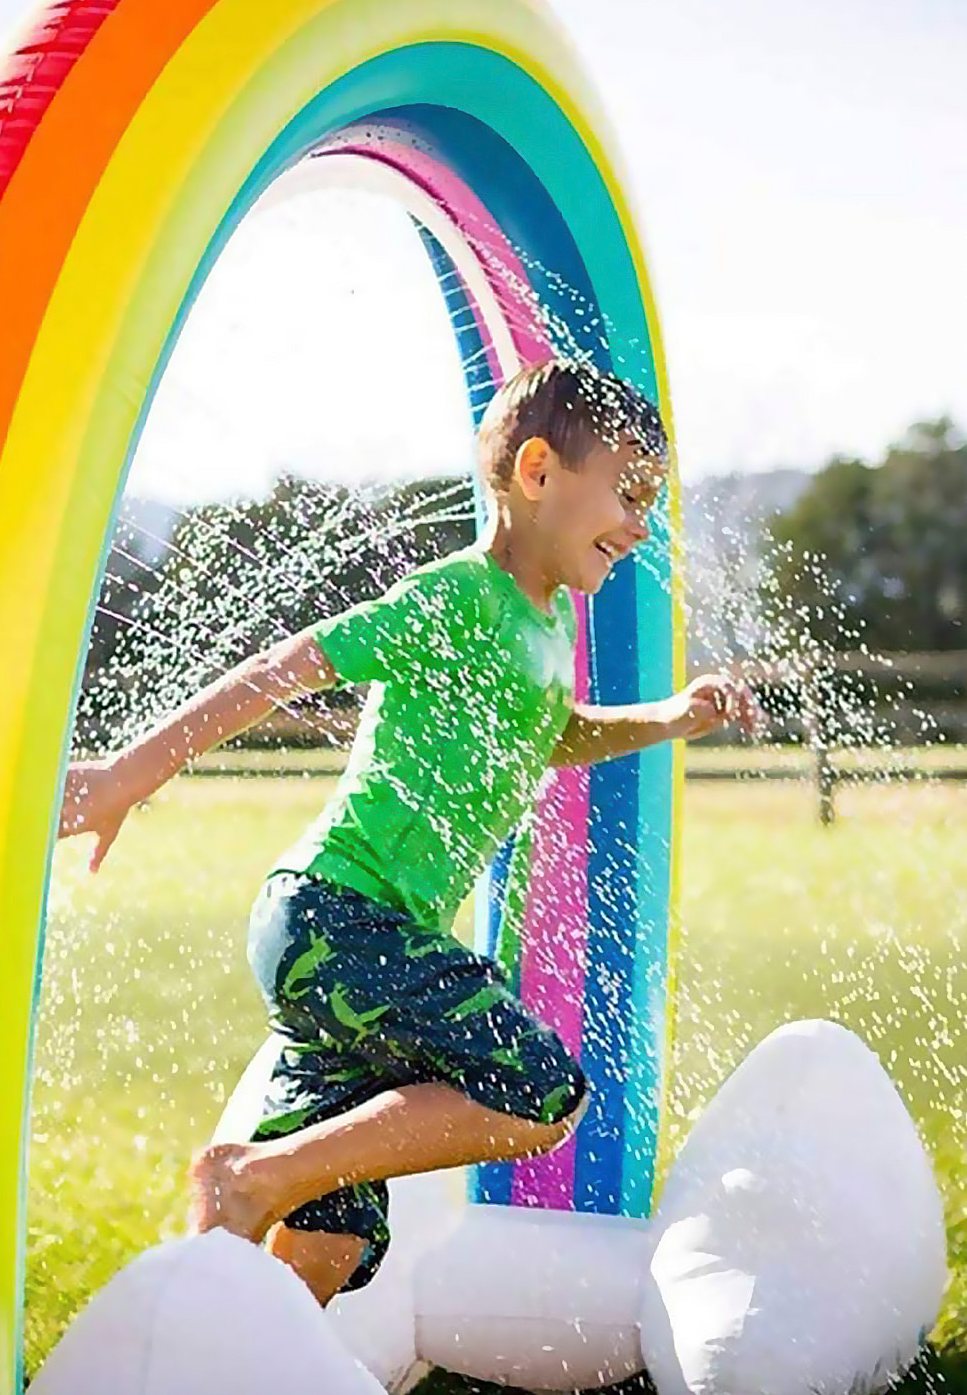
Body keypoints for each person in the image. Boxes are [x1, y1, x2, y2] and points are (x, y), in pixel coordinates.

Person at [59, 359, 760, 1306]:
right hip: (340, 917)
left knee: (330, 1241)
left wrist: (673, 716)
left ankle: (208, 1326)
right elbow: (291, 664)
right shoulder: (462, 597)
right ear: (541, 473)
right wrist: (125, 777)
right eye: (627, 494)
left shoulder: (548, 626)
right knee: (543, 1092)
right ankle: (253, 1178)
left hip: (356, 941)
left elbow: (556, 736)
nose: (641, 524)